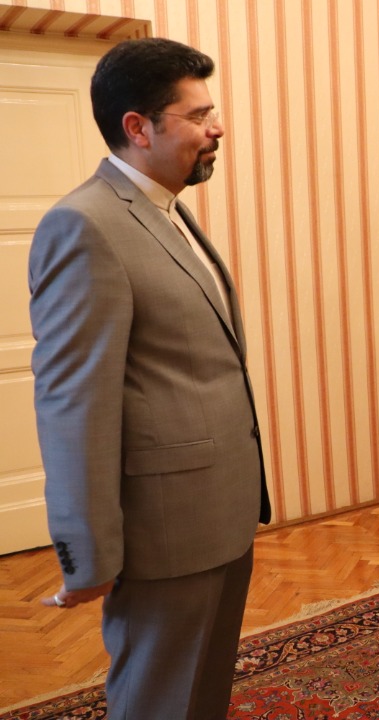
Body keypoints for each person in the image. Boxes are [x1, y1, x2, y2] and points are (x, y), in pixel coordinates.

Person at [29, 38, 270, 719]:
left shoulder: (168, 207)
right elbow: (74, 404)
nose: (216, 128)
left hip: (217, 512)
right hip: (165, 533)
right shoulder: (84, 225)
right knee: (160, 698)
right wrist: (85, 554)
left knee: (201, 692)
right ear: (138, 128)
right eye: (198, 115)